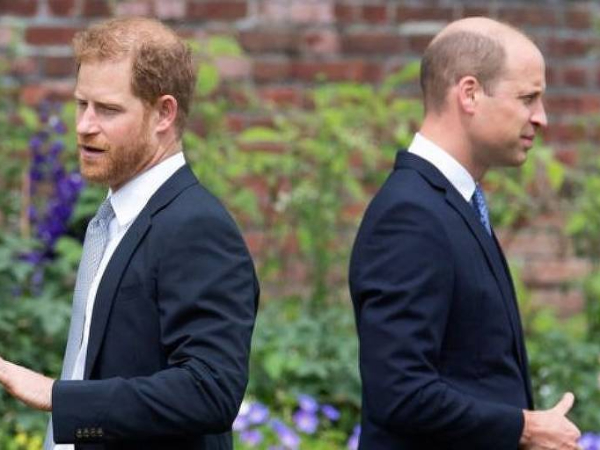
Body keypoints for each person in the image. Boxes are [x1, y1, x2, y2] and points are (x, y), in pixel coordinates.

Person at [0, 17, 259, 450]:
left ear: (164, 113)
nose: (85, 125)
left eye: (108, 109)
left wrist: (56, 396)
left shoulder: (197, 226)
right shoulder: (114, 219)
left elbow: (210, 390)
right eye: (81, 104)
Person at [349, 17, 582, 450]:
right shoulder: (411, 215)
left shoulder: (451, 204)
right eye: (527, 98)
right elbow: (399, 392)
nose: (542, 118)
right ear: (469, 93)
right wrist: (524, 427)